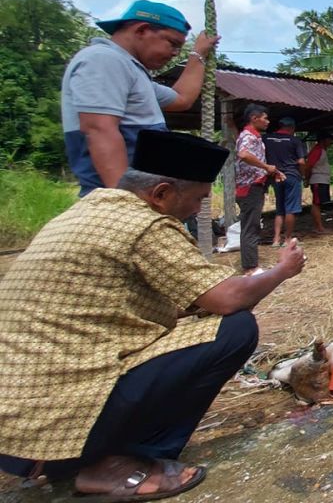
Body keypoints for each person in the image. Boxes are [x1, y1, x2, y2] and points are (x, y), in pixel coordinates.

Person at [0, 130, 306, 499]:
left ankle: (77, 458)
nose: (197, 209)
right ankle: (120, 462)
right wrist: (283, 270)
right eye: (196, 199)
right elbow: (227, 300)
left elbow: (129, 305)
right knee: (234, 329)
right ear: (161, 193)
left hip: (17, 417)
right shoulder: (145, 224)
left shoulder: (91, 209)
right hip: (56, 415)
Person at [61, 0, 219, 196]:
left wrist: (198, 54)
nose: (176, 53)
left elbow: (182, 99)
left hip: (141, 198)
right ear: (142, 30)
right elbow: (100, 130)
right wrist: (126, 204)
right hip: (116, 203)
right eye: (172, 44)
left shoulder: (131, 71)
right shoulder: (103, 59)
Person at [234, 104, 284, 275]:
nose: (267, 121)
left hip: (254, 185)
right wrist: (265, 166)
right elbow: (244, 155)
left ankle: (251, 263)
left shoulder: (255, 136)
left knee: (252, 224)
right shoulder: (248, 136)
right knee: (250, 225)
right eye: (265, 118)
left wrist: (272, 171)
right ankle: (250, 267)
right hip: (249, 187)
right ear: (254, 119)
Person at [263, 117, 307, 247]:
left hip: (276, 176)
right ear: (292, 128)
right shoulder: (295, 140)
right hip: (291, 176)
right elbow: (301, 162)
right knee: (291, 209)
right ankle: (287, 239)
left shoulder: (267, 139)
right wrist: (303, 175)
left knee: (280, 209)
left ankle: (276, 240)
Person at [303, 131, 333, 234]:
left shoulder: (321, 150)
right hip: (318, 180)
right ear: (324, 140)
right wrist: (307, 178)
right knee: (316, 203)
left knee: (318, 203)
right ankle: (319, 228)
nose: (331, 141)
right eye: (329, 139)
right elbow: (308, 166)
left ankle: (319, 226)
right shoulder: (317, 150)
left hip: (321, 180)